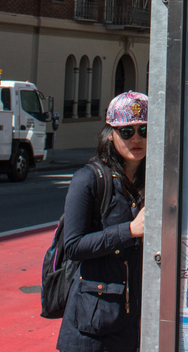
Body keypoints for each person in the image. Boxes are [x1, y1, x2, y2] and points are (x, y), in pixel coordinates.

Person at [57, 91, 148, 352]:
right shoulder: (88, 179)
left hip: (132, 324)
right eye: (127, 132)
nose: (137, 138)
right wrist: (129, 231)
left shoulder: (153, 181)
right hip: (92, 328)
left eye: (143, 130)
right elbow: (73, 246)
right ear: (111, 134)